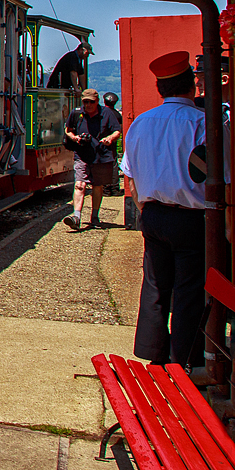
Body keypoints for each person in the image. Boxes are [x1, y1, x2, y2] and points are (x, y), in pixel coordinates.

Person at [121, 51, 226, 368]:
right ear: (192, 86)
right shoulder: (202, 123)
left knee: (154, 284)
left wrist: (144, 209)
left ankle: (152, 353)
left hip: (153, 215)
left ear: (160, 89)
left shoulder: (141, 122)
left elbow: (131, 175)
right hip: (192, 217)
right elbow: (221, 175)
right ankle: (184, 358)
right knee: (188, 289)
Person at [62, 88, 122, 231]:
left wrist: (109, 139)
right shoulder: (77, 113)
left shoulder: (107, 113)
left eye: (91, 102)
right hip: (82, 153)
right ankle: (76, 217)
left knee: (97, 186)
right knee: (80, 185)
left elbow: (117, 131)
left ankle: (94, 217)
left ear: (97, 102)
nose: (88, 105)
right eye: (85, 102)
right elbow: (68, 129)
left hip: (100, 155)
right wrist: (74, 137)